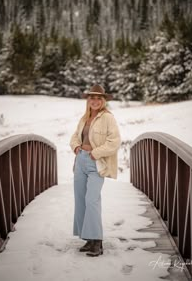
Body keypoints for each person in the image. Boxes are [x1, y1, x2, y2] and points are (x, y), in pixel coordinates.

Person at [70, 84, 121, 257]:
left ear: (104, 100)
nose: (95, 101)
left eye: (99, 98)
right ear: (88, 100)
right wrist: (76, 147)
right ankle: (88, 239)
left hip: (96, 162)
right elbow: (74, 136)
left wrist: (96, 153)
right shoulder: (84, 118)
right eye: (92, 97)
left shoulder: (108, 118)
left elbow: (114, 142)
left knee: (92, 199)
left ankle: (97, 242)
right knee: (80, 200)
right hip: (81, 161)